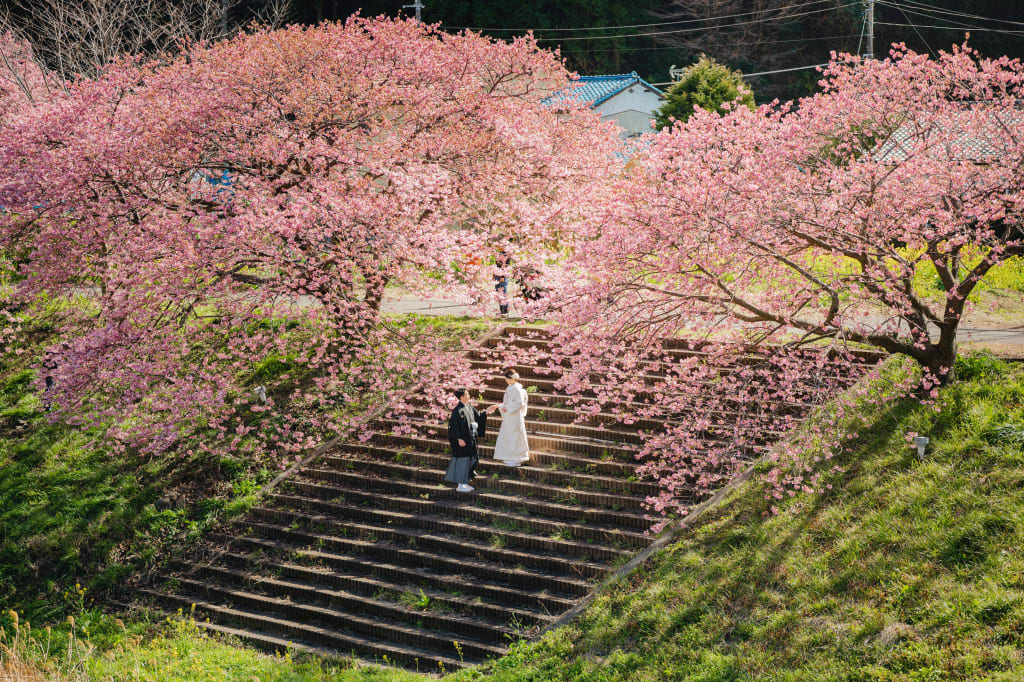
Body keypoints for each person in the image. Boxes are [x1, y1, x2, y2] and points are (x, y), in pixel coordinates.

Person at [446, 388, 487, 493]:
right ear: (462, 397)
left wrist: (487, 411)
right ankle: (460, 484)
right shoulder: (457, 410)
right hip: (462, 440)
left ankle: (465, 482)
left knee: (471, 459)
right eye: (467, 394)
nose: (469, 395)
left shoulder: (469, 407)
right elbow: (453, 426)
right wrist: (459, 438)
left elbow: (478, 416)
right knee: (462, 461)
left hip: (470, 438)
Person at [487, 369, 529, 467]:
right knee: (508, 436)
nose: (505, 380)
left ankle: (517, 458)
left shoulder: (517, 389)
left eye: (506, 378)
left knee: (515, 436)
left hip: (514, 417)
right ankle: (510, 457)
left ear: (511, 378)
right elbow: (508, 403)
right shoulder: (511, 387)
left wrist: (507, 408)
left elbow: (519, 403)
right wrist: (499, 406)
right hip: (510, 416)